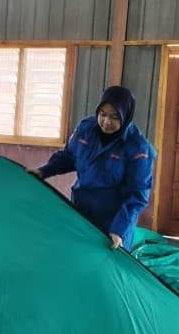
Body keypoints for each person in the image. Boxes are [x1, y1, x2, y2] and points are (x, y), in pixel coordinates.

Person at [30, 86, 157, 250]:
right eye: (102, 114)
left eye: (114, 117)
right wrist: (43, 171)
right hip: (82, 210)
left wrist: (119, 229)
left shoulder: (138, 148)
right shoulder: (86, 129)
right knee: (77, 255)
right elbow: (68, 157)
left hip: (114, 220)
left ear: (125, 117)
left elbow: (137, 195)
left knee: (108, 267)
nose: (106, 121)